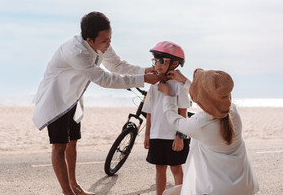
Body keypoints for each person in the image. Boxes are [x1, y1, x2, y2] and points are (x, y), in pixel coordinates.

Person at [32, 11, 160, 195]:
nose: (109, 43)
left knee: (73, 142)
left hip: (73, 98)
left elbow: (116, 65)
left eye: (110, 38)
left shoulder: (101, 43)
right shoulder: (76, 52)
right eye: (105, 40)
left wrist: (144, 70)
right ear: (90, 40)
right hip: (56, 99)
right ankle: (67, 192)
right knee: (59, 146)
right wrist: (143, 79)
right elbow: (104, 79)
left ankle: (74, 186)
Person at [160, 69, 259, 195]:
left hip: (217, 191)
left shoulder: (200, 125)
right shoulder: (233, 112)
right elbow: (212, 98)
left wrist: (167, 95)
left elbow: (173, 120)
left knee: (168, 193)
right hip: (245, 187)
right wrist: (185, 81)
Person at [142, 41, 191, 195]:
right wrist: (147, 133)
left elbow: (183, 112)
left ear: (175, 63)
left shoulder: (179, 85)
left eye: (162, 61)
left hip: (173, 135)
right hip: (157, 134)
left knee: (176, 168)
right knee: (159, 168)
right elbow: (150, 111)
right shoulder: (153, 84)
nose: (157, 64)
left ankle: (180, 193)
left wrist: (180, 136)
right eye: (155, 60)